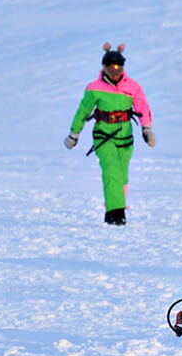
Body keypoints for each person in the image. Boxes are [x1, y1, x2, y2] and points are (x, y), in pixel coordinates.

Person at [64, 43, 155, 225]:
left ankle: (113, 206)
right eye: (111, 68)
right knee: (111, 171)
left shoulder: (133, 87)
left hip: (126, 138)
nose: (115, 72)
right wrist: (74, 134)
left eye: (119, 68)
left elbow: (143, 107)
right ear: (103, 67)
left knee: (122, 176)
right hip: (104, 137)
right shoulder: (94, 88)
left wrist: (147, 128)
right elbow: (83, 112)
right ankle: (116, 214)